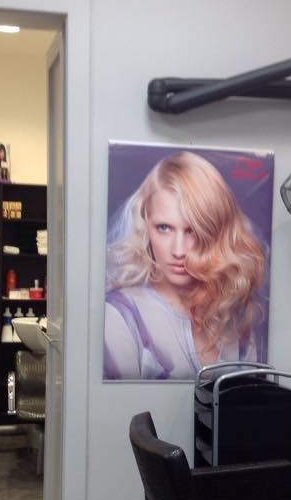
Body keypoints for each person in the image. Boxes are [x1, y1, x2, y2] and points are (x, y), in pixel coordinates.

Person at [104, 151, 267, 380]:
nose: (178, 250)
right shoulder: (121, 316)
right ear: (145, 226)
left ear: (215, 232)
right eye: (164, 228)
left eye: (192, 230)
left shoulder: (234, 316)